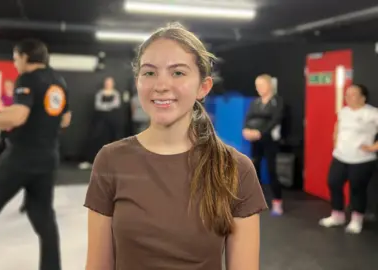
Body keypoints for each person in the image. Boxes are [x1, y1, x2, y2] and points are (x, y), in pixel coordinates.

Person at [84, 23, 267, 270]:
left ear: (204, 87)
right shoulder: (110, 160)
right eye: (149, 73)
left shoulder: (235, 169)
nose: (161, 85)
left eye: (178, 73)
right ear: (138, 81)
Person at [0, 38, 72, 270]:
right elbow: (65, 119)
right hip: (48, 157)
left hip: (22, 156)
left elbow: (18, 116)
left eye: (15, 58)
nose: (15, 63)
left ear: (25, 57)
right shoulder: (59, 81)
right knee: (41, 213)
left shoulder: (28, 78)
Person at [319, 84, 378, 234]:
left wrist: (372, 148)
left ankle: (357, 220)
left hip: (362, 160)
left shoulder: (372, 113)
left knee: (357, 190)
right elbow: (337, 128)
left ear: (363, 97)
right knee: (333, 183)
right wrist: (335, 143)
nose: (348, 97)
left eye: (353, 94)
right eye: (347, 94)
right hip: (340, 157)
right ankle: (337, 215)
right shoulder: (343, 112)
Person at [243, 74, 284, 216]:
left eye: (261, 85)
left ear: (269, 85)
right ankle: (256, 201)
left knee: (272, 171)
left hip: (270, 141)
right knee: (255, 170)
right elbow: (248, 118)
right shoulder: (255, 102)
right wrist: (246, 130)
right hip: (256, 141)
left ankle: (277, 202)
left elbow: (275, 121)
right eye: (257, 86)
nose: (258, 88)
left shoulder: (277, 102)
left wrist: (261, 133)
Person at [78, 76, 122, 170]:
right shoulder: (100, 93)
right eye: (106, 82)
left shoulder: (116, 94)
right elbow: (98, 105)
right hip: (100, 121)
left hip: (112, 121)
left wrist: (106, 107)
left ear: (112, 84)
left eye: (110, 83)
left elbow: (116, 104)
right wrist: (108, 107)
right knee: (96, 139)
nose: (108, 84)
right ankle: (91, 161)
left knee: (113, 141)